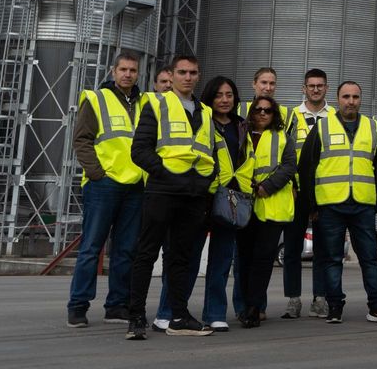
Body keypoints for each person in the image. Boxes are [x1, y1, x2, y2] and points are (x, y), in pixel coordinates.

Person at [125, 54, 231, 340]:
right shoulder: (157, 104)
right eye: (182, 72)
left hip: (194, 195)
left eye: (193, 72)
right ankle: (136, 317)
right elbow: (140, 150)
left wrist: (206, 182)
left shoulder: (205, 112)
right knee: (147, 253)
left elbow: (209, 151)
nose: (187, 77)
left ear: (198, 76)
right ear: (171, 75)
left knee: (181, 258)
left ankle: (179, 316)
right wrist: (165, 175)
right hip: (163, 191)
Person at [151, 76, 244, 332]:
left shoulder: (241, 127)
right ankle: (168, 312)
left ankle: (214, 313)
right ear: (209, 97)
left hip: (229, 201)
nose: (224, 100)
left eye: (229, 95)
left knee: (222, 260)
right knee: (186, 258)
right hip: (199, 197)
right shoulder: (202, 120)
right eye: (219, 95)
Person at [300, 81, 377, 324]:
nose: (350, 101)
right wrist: (312, 205)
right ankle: (334, 306)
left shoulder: (372, 128)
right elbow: (307, 168)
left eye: (355, 97)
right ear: (338, 99)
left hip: (362, 204)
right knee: (332, 259)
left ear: (361, 99)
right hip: (330, 204)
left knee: (370, 258)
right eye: (346, 97)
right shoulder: (322, 127)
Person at [67, 50, 145, 328]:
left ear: (138, 73)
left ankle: (116, 305)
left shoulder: (144, 102)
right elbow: (82, 140)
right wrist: (97, 173)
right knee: (91, 248)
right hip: (104, 185)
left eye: (133, 70)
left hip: (135, 186)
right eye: (123, 69)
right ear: (113, 71)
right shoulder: (97, 99)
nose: (127, 74)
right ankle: (78, 306)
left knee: (125, 251)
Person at [233, 94, 297, 327]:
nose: (262, 113)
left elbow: (290, 166)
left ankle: (253, 308)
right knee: (244, 259)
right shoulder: (241, 134)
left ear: (274, 114)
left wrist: (266, 186)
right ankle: (246, 306)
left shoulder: (282, 137)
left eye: (267, 110)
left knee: (262, 260)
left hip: (270, 206)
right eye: (258, 110)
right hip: (243, 204)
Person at [281, 68, 335, 320]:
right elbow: (282, 153)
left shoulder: (335, 117)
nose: (315, 89)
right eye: (311, 85)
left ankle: (320, 299)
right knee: (292, 248)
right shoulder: (291, 117)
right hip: (295, 192)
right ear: (304, 88)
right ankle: (293, 299)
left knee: (322, 250)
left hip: (324, 192)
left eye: (320, 85)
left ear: (326, 88)